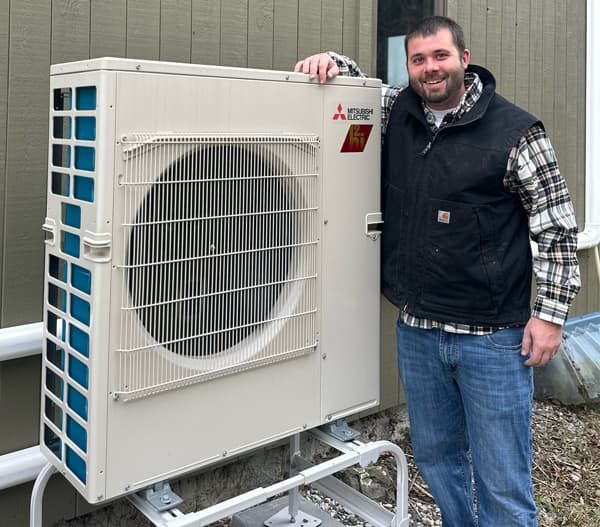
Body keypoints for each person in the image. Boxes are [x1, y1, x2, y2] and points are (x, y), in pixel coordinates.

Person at [294, 15, 580, 527]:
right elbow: (360, 87)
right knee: (436, 457)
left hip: (491, 338)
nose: (430, 69)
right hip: (419, 331)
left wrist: (551, 316)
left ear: (464, 60)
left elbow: (555, 226)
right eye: (419, 59)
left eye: (441, 56)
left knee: (502, 481)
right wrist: (332, 63)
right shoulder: (399, 111)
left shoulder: (516, 132)